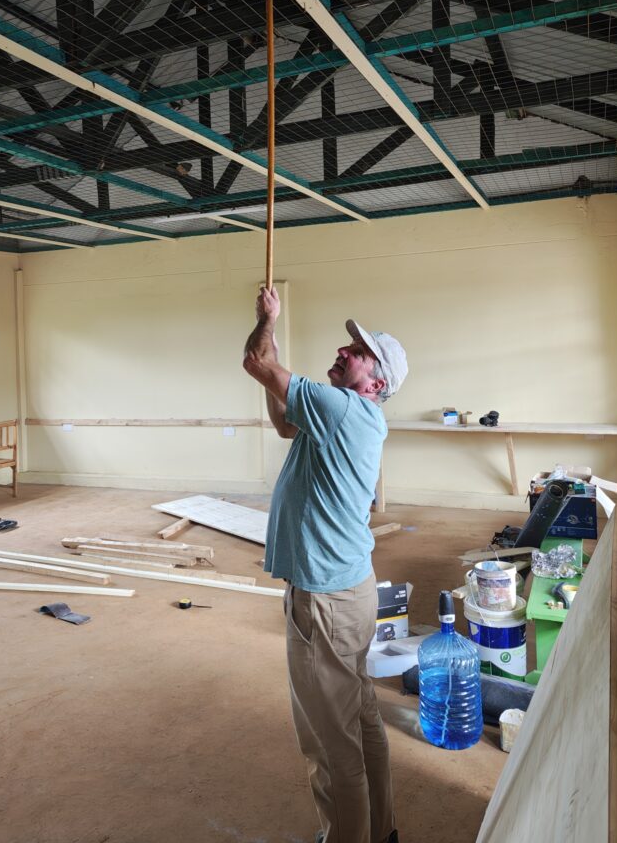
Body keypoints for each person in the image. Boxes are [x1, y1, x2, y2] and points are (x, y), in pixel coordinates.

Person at [243, 285, 408, 843]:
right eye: (348, 344)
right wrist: (269, 335)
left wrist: (266, 319)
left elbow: (256, 363)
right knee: (360, 721)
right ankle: (379, 830)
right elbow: (284, 422)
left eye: (356, 352)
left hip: (325, 601)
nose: (343, 351)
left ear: (376, 382)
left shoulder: (341, 409)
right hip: (350, 591)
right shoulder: (349, 417)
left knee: (328, 743)